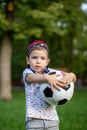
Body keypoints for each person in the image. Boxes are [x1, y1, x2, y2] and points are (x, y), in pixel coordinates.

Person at [23, 40, 76, 130]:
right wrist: (47, 78)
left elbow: (73, 78)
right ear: (28, 60)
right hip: (34, 120)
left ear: (47, 62)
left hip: (52, 119)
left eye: (42, 58)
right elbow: (31, 78)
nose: (38, 61)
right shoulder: (28, 72)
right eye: (34, 57)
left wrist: (71, 75)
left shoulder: (52, 73)